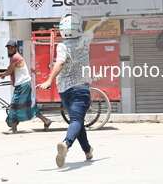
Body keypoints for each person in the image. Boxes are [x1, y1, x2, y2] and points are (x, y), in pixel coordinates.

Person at [37, 13, 109, 167]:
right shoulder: (85, 39)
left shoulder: (62, 45)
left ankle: (88, 150)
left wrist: (50, 81)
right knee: (76, 120)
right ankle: (66, 144)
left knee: (77, 121)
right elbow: (95, 27)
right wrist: (103, 21)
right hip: (80, 89)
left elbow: (60, 62)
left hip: (64, 90)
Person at [0, 40, 52, 134]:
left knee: (14, 106)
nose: (10, 49)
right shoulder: (15, 57)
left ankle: (13, 129)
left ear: (16, 48)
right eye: (9, 48)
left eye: (12, 48)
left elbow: (9, 71)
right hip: (24, 84)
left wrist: (0, 74)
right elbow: (11, 70)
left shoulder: (15, 57)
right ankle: (46, 121)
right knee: (30, 106)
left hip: (22, 85)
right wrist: (4, 74)